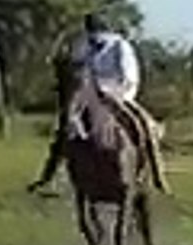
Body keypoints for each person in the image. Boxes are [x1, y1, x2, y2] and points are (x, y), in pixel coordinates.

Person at [28, 14, 169, 194]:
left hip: (117, 94)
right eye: (91, 32)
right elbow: (77, 71)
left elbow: (129, 76)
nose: (94, 36)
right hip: (87, 95)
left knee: (142, 125)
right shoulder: (83, 45)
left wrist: (112, 92)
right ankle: (49, 175)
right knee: (65, 127)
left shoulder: (120, 46)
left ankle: (157, 176)